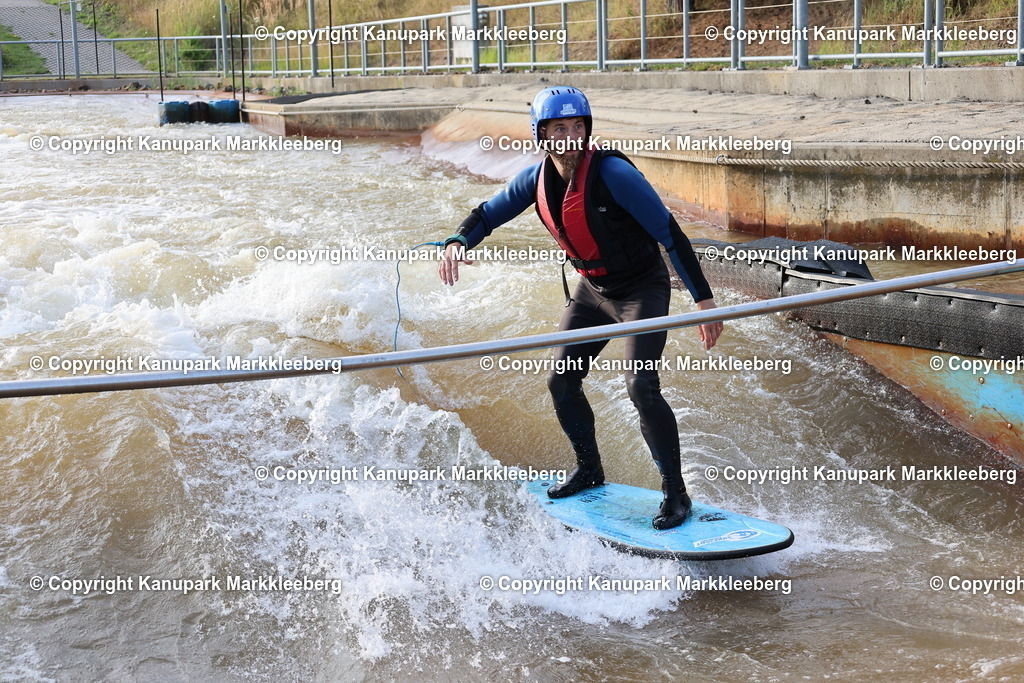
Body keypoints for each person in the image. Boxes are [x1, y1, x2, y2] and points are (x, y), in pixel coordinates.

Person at [438, 86, 722, 529]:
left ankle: (676, 494)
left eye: (577, 127)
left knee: (640, 387)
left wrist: (704, 301)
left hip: (640, 291)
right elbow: (487, 214)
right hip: (591, 292)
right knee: (560, 380)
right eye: (559, 129)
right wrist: (457, 241)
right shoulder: (536, 181)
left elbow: (671, 234)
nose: (570, 137)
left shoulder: (614, 175)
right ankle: (590, 470)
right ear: (543, 135)